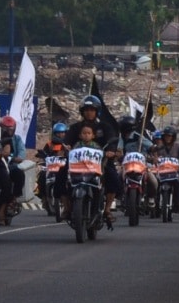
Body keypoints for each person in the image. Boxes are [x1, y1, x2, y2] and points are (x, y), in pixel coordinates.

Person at [63, 95, 121, 223]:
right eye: (86, 109)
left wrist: (111, 151)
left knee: (114, 178)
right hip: (77, 164)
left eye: (92, 110)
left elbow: (112, 139)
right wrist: (65, 146)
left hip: (100, 163)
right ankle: (67, 208)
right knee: (60, 176)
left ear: (97, 111)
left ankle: (107, 209)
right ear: (82, 111)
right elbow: (67, 140)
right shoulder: (75, 128)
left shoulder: (105, 127)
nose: (89, 112)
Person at [117, 115, 158, 208]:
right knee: (118, 177)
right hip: (127, 164)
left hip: (141, 164)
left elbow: (152, 147)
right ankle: (119, 196)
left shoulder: (138, 137)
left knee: (153, 181)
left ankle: (151, 197)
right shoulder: (122, 138)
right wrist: (118, 155)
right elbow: (119, 149)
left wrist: (154, 157)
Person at [154, 126, 179, 211]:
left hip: (174, 171)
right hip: (161, 171)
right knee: (155, 182)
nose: (168, 138)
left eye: (170, 136)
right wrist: (155, 159)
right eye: (166, 136)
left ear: (173, 137)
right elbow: (155, 157)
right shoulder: (159, 147)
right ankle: (154, 201)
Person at [0, 115, 27, 203]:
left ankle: (14, 198)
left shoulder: (17, 139)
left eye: (11, 129)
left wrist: (11, 158)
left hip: (9, 165)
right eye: (6, 129)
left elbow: (21, 156)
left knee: (19, 174)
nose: (8, 131)